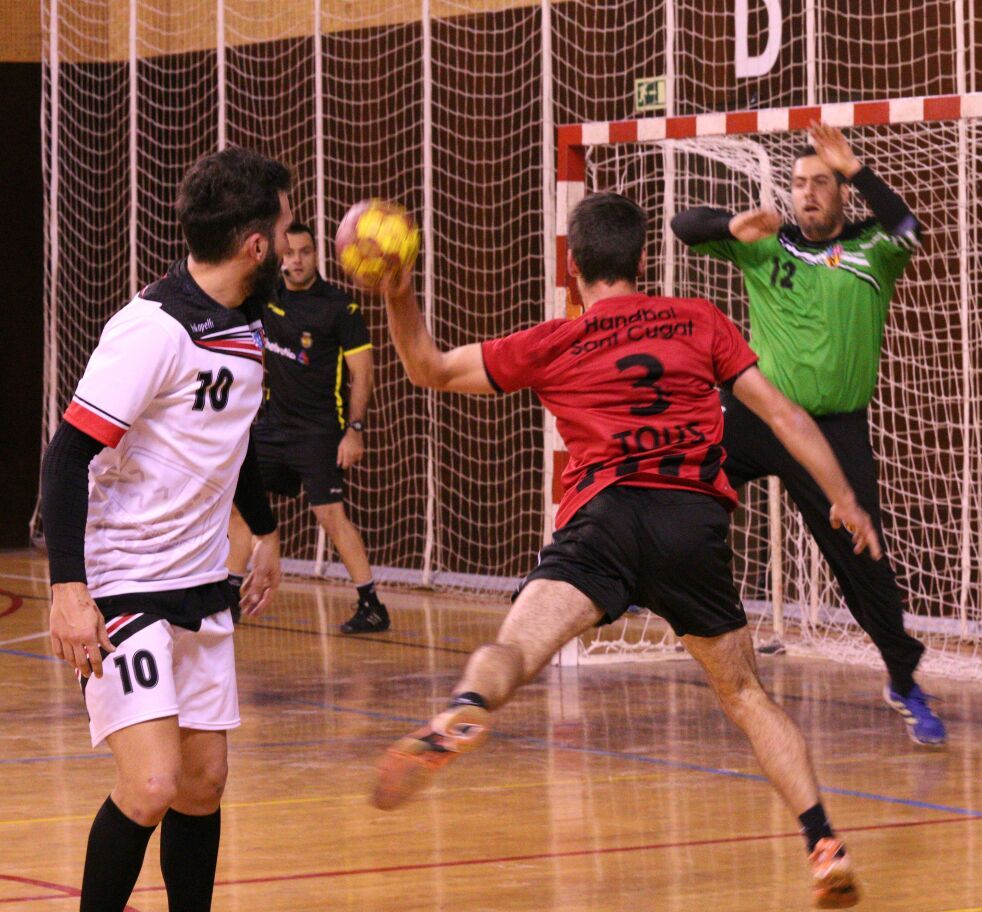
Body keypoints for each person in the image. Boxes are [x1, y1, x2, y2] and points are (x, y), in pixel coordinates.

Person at [370, 193, 873, 908]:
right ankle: (823, 844)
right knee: (745, 695)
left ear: (572, 264)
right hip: (689, 526)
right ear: (644, 259)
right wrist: (843, 496)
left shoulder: (553, 340)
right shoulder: (699, 320)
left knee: (515, 647)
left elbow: (430, 368)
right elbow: (785, 414)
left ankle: (465, 707)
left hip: (601, 521)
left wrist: (398, 292)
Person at [41, 147, 290, 912]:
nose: (290, 242)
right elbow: (67, 454)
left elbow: (233, 436)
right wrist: (68, 590)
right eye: (285, 228)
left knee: (201, 786)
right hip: (125, 583)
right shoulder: (152, 328)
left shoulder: (249, 325)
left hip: (201, 586)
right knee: (150, 785)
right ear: (256, 246)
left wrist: (268, 531)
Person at [670, 122, 945, 746]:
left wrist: (856, 169)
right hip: (759, 414)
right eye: (799, 184)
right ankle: (625, 580)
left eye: (821, 183)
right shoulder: (768, 245)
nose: (808, 194)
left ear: (841, 192)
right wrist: (734, 225)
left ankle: (903, 678)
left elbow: (911, 229)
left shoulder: (876, 247)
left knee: (864, 561)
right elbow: (683, 228)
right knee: (675, 478)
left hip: (833, 434)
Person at [226, 221, 387, 634]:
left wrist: (354, 429)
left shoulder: (339, 307)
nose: (296, 260)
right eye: (290, 252)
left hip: (319, 431)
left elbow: (363, 374)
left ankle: (371, 604)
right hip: (271, 427)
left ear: (317, 256)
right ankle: (228, 597)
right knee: (243, 506)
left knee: (329, 513)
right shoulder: (264, 298)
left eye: (305, 252)